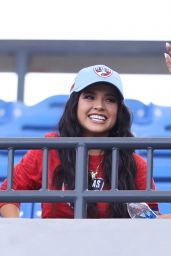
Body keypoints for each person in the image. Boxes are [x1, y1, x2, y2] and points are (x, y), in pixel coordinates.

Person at [0, 64, 159, 218]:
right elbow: (7, 193)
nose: (99, 106)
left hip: (112, 244)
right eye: (89, 97)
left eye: (110, 100)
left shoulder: (134, 164)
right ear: (75, 104)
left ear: (118, 110)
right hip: (54, 244)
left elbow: (150, 220)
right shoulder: (50, 150)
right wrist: (21, 229)